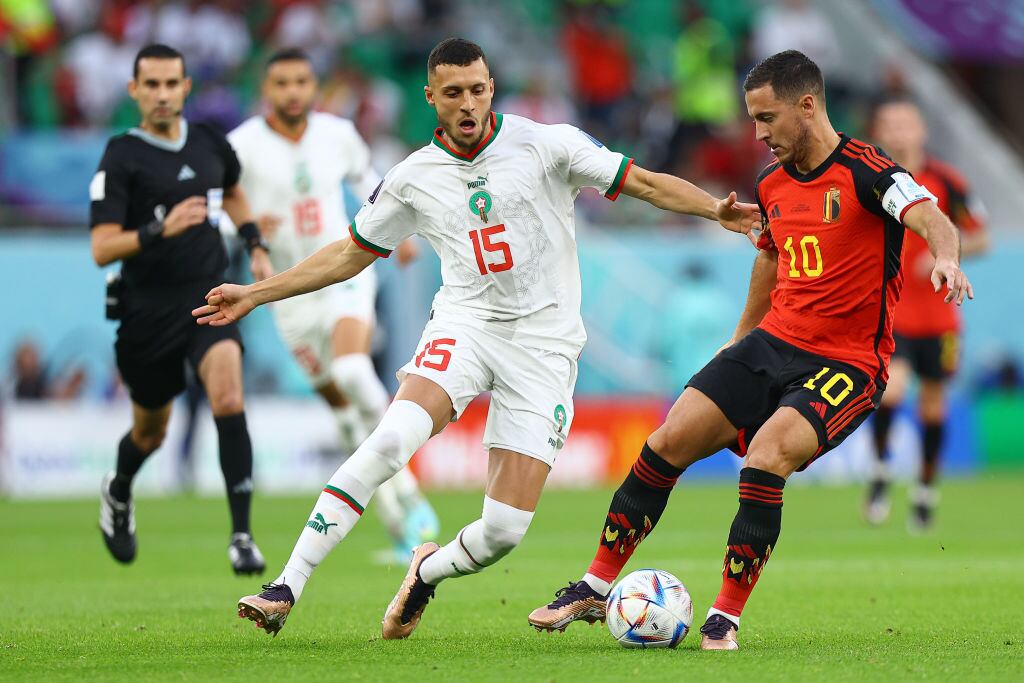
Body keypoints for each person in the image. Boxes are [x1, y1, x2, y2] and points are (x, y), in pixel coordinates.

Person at [191, 38, 760, 639]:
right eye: (454, 92)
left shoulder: (547, 145)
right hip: (465, 327)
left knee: (502, 531)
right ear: (431, 97)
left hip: (544, 346)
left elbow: (641, 182)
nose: (468, 103)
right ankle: (286, 584)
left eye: (478, 89)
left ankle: (427, 571)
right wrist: (255, 293)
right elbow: (345, 256)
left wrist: (714, 212)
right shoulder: (411, 178)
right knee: (390, 439)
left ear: (492, 89)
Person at [526, 50, 973, 651]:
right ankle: (595, 585)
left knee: (764, 459)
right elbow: (770, 257)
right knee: (666, 441)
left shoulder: (870, 172)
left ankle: (724, 618)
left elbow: (930, 215)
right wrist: (738, 345)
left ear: (807, 107)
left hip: (847, 362)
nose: (758, 134)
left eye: (767, 119)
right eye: (753, 120)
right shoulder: (770, 184)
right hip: (772, 342)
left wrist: (945, 256)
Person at [227, 47, 438, 560]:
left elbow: (368, 180)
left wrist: (400, 229)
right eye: (282, 83)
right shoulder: (241, 146)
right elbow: (219, 208)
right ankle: (400, 526)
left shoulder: (337, 134)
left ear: (314, 86)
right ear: (266, 90)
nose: (293, 91)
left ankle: (413, 498)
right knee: (346, 420)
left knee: (350, 370)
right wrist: (249, 231)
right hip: (287, 294)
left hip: (341, 270)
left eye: (302, 80)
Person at [90, 43, 272, 575]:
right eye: (152, 85)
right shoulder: (121, 155)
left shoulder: (211, 145)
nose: (163, 94)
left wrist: (255, 241)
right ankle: (119, 489)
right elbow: (102, 247)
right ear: (135, 90)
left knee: (229, 395)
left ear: (186, 87)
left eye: (173, 84)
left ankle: (242, 535)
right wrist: (158, 229)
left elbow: (233, 191)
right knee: (150, 433)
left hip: (208, 296)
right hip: (146, 312)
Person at [863, 95, 989, 530]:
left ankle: (926, 487)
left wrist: (945, 254)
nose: (898, 132)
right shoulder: (871, 179)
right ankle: (880, 472)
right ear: (879, 132)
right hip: (892, 317)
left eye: (906, 123)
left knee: (933, 406)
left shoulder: (946, 181)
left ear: (922, 130)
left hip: (939, 319)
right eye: (890, 124)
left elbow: (980, 238)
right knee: (891, 392)